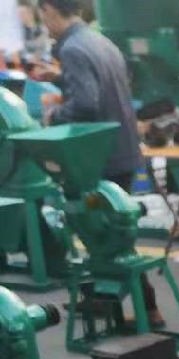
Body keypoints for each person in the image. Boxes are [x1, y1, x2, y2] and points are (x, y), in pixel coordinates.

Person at [37, 0, 162, 326]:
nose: (44, 23)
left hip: (99, 158)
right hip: (122, 151)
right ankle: (116, 303)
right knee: (115, 234)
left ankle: (128, 305)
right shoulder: (98, 41)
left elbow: (86, 104)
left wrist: (53, 115)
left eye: (43, 15)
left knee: (104, 235)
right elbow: (104, 88)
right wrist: (61, 79)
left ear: (49, 9)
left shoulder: (72, 50)